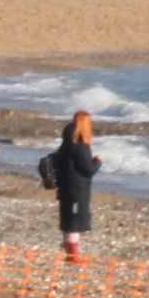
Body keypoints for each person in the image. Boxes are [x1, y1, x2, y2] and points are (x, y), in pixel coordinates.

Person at [38, 110, 102, 261]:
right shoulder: (80, 146)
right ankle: (72, 255)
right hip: (76, 189)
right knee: (73, 222)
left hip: (66, 187)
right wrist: (97, 161)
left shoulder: (66, 143)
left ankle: (71, 253)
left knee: (69, 220)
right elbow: (88, 169)